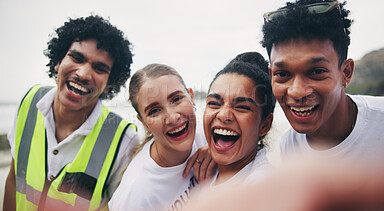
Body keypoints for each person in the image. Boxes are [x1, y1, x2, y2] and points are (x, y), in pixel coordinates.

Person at [4, 15, 139, 211]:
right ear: (58, 60)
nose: (83, 74)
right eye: (77, 57)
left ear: (109, 85)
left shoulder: (125, 140)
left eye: (99, 68)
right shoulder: (28, 101)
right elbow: (13, 181)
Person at [261, 0, 384, 166]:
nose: (297, 92)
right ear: (271, 76)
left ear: (346, 73)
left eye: (317, 72)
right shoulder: (290, 147)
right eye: (282, 74)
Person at [108, 64, 215, 211]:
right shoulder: (134, 197)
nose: (172, 118)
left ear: (191, 97)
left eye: (177, 99)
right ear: (144, 122)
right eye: (155, 111)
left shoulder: (211, 136)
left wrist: (220, 153)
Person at [202, 52, 275, 187]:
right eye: (214, 103)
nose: (223, 115)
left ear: (264, 125)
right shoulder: (198, 164)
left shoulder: (262, 186)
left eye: (242, 107)